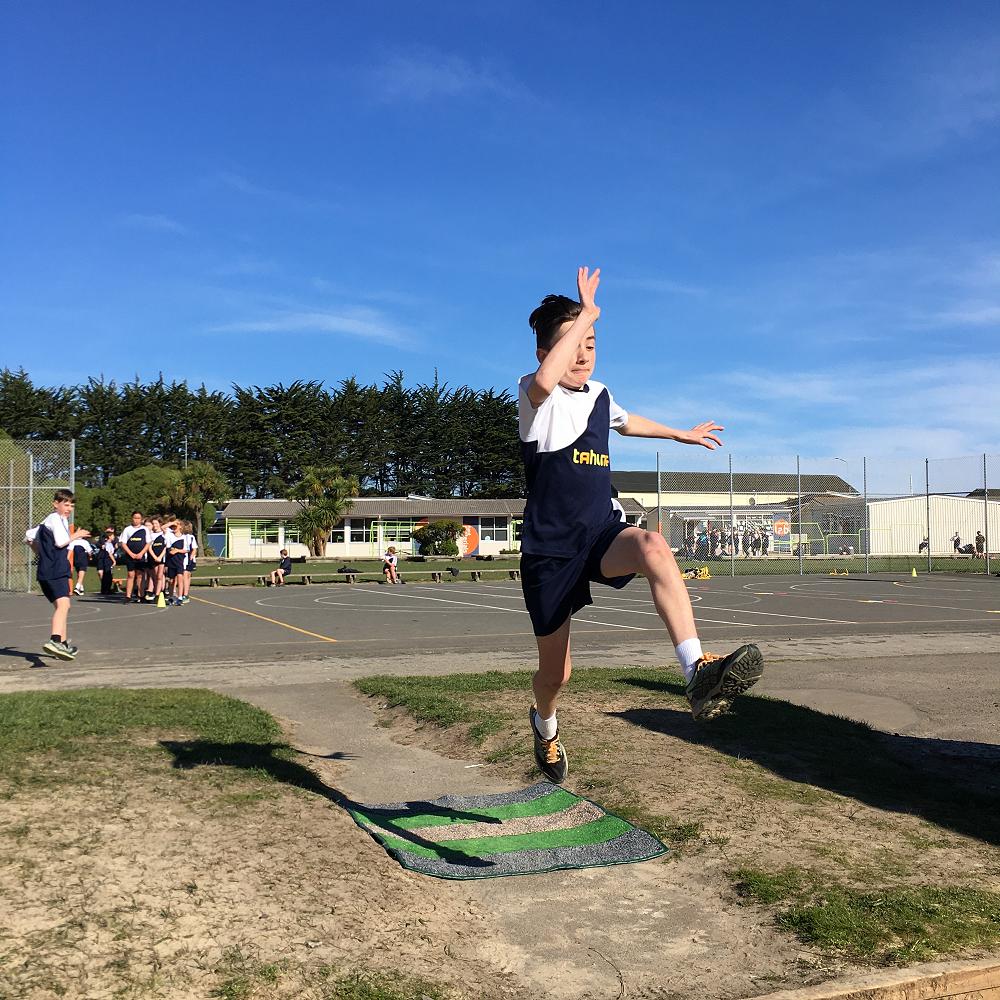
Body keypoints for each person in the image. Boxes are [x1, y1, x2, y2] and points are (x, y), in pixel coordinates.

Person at [518, 267, 764, 783]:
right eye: (571, 344)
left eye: (591, 342)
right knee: (555, 674)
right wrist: (586, 311)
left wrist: (680, 435)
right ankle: (544, 725)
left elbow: (629, 423)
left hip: (601, 533)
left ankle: (696, 671)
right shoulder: (534, 396)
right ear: (544, 352)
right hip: (551, 551)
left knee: (653, 544)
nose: (583, 354)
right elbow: (546, 380)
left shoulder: (600, 395)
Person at [27, 489, 90, 660]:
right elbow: (61, 542)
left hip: (46, 570)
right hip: (56, 569)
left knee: (62, 606)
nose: (69, 508)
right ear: (56, 504)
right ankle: (55, 640)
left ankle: (62, 645)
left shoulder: (47, 522)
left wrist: (40, 552)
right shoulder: (56, 518)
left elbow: (29, 537)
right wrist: (75, 535)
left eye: (71, 505)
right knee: (63, 606)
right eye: (65, 504)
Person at [120, 511, 149, 603]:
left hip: (141, 556)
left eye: (138, 518)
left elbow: (148, 543)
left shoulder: (145, 529)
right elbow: (123, 543)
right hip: (130, 556)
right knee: (130, 575)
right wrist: (130, 553)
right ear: (132, 518)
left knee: (140, 575)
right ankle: (128, 596)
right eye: (135, 518)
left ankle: (141, 595)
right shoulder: (127, 529)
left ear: (141, 519)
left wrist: (141, 553)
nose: (136, 520)